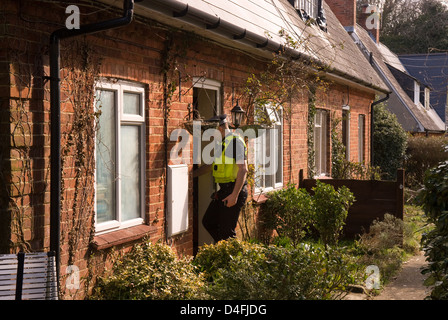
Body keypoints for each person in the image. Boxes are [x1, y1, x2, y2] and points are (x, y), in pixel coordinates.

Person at [193, 114, 248, 243]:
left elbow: (243, 169)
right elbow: (212, 166)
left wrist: (234, 195)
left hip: (233, 190)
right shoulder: (223, 143)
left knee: (227, 232)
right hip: (224, 191)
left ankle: (231, 259)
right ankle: (222, 249)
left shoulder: (235, 142)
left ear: (219, 129)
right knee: (208, 222)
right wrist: (191, 175)